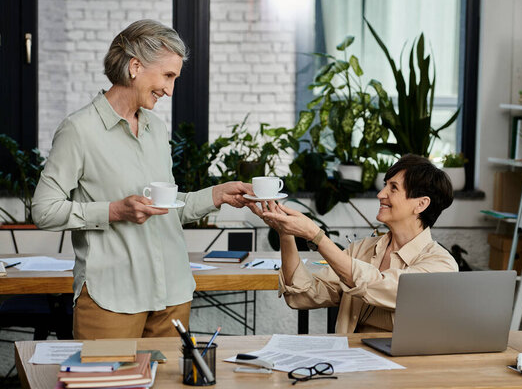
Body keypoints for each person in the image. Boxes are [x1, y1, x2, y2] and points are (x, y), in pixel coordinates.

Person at [32, 20, 253, 339]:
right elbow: (43, 210)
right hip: (112, 299)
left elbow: (167, 209)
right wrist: (114, 211)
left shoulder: (156, 128)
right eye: (168, 76)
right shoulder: (79, 130)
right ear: (135, 66)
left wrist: (217, 195)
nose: (170, 89)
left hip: (172, 296)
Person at [249, 154, 458, 333]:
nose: (380, 194)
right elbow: (304, 296)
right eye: (385, 185)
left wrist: (316, 236)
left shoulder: (441, 265)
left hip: (401, 375)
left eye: (393, 188)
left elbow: (384, 285)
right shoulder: (361, 250)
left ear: (421, 204)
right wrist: (285, 234)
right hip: (349, 367)